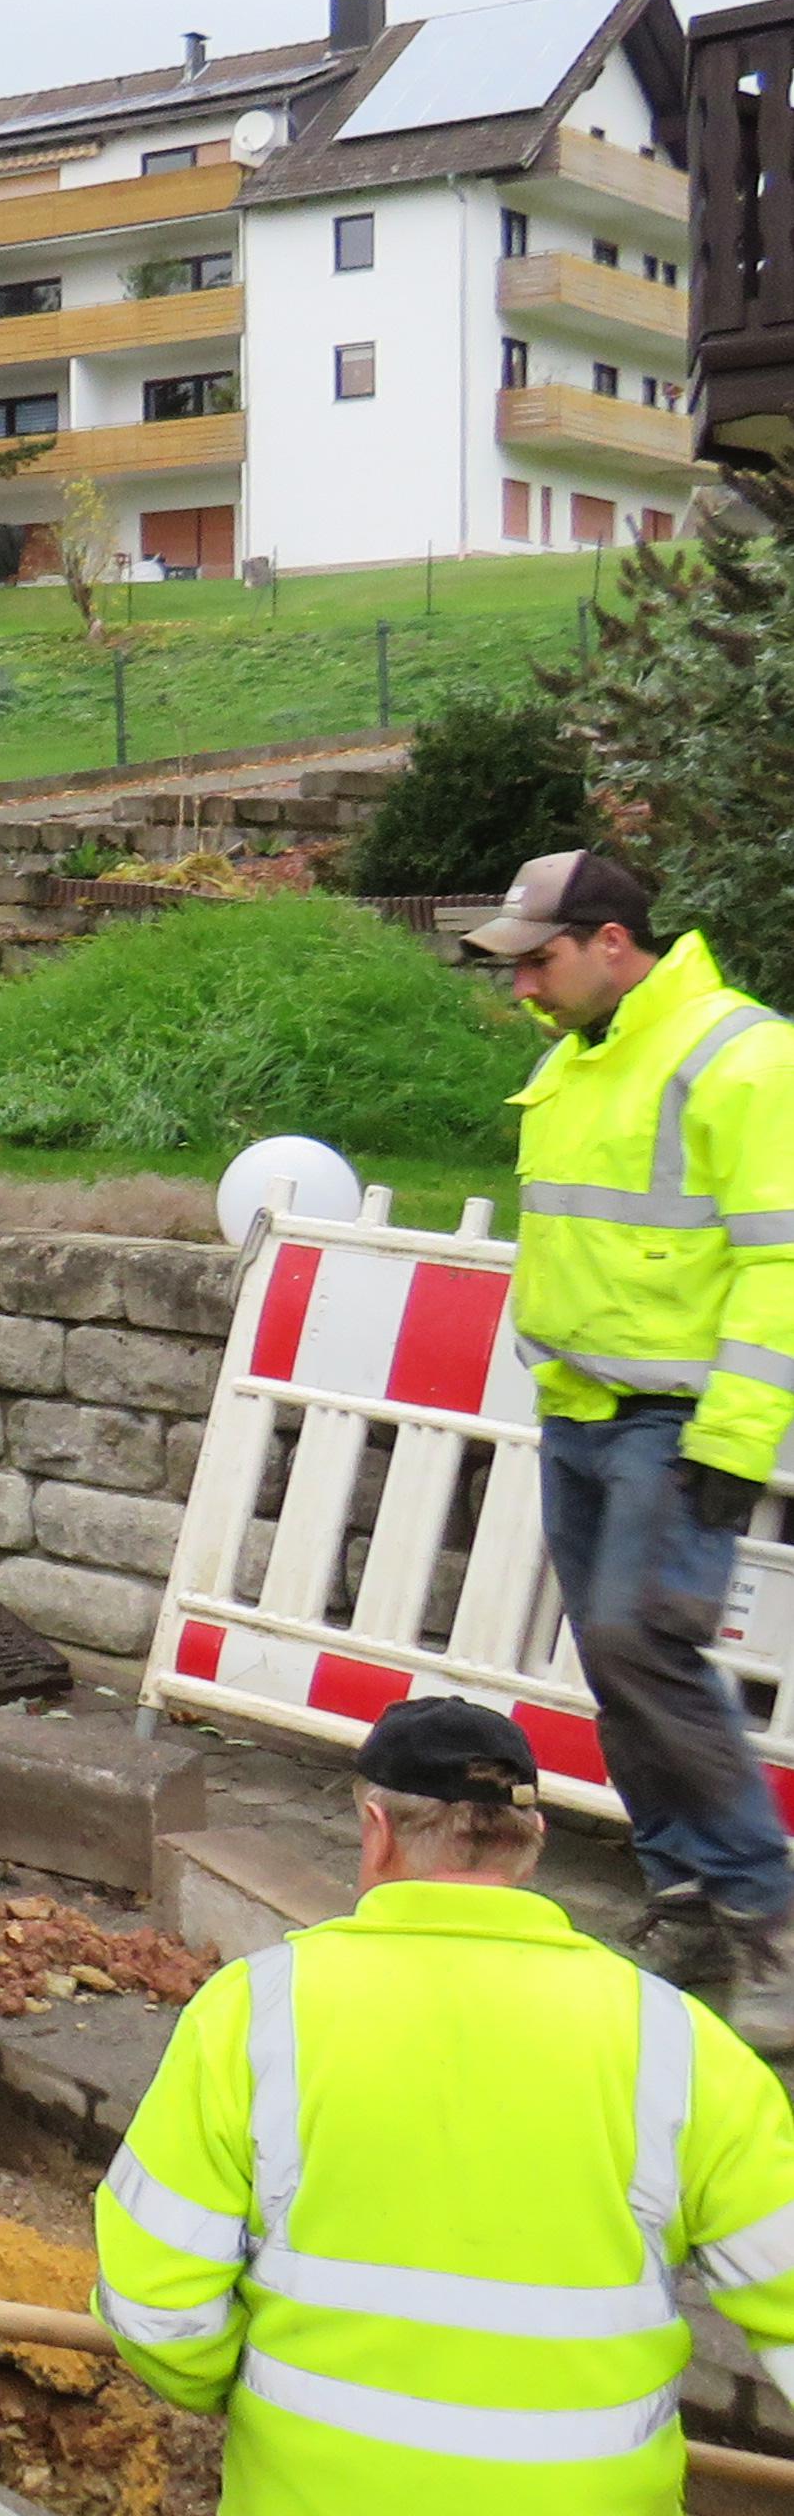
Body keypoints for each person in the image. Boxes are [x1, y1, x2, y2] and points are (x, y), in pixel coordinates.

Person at [96, 1695, 794, 2513]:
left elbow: (155, 2306)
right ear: (531, 1841)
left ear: (376, 1830)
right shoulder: (679, 2042)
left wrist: (240, 2390)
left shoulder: (252, 2015)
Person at [467, 848, 794, 2040]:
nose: (524, 988)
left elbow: (781, 1259)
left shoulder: (744, 1055)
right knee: (619, 1666)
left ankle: (771, 1917)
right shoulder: (573, 1057)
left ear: (613, 940)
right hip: (582, 1409)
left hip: (679, 1418)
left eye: (540, 960)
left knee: (640, 1645)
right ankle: (689, 1900)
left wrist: (735, 1436)